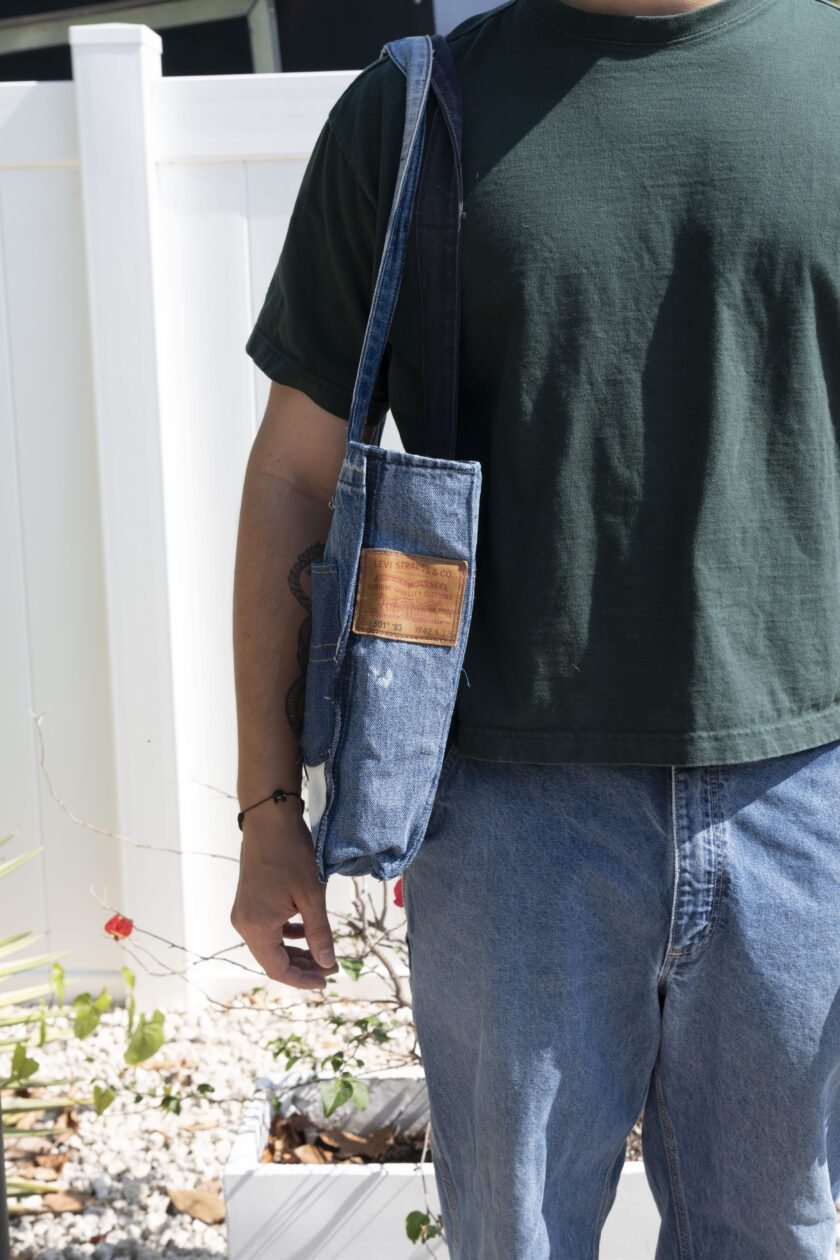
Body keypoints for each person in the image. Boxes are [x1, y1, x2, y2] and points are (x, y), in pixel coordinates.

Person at [229, 0, 840, 1253]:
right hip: (508, 818)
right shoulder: (415, 113)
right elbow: (295, 473)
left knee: (783, 1235)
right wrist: (266, 807)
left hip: (808, 794)